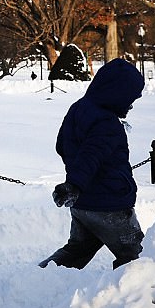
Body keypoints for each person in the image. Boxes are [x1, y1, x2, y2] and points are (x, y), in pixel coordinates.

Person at [39, 57, 145, 270]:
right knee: (135, 254)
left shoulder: (78, 108)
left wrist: (77, 183)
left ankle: (39, 278)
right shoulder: (106, 122)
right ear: (117, 93)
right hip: (109, 205)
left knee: (77, 249)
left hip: (83, 206)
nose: (131, 104)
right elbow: (91, 155)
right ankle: (135, 296)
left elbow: (62, 146)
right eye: (129, 98)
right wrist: (75, 184)